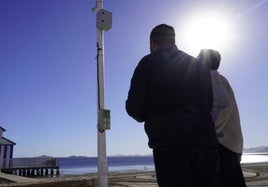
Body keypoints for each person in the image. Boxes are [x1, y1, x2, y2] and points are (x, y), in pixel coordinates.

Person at [125, 24, 220, 187]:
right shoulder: (198, 65)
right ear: (173, 40)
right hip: (206, 142)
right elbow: (209, 104)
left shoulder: (147, 63)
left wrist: (148, 114)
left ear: (152, 43)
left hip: (170, 144)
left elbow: (134, 108)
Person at [197, 49, 246, 187]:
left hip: (223, 145)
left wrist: (207, 132)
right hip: (229, 145)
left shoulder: (212, 78)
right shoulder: (219, 79)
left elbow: (223, 108)